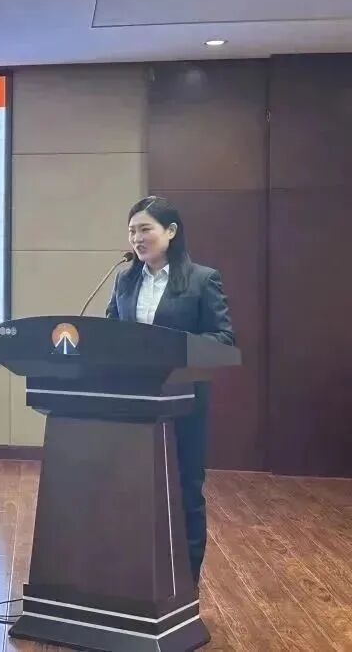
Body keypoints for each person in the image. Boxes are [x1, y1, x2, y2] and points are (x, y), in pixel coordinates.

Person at [105, 195, 235, 587]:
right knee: (130, 491)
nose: (137, 238)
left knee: (185, 490)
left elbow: (223, 339)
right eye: (132, 231)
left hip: (182, 404)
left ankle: (185, 586)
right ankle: (132, 580)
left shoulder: (201, 280)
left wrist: (170, 347)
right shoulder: (125, 280)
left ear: (171, 231)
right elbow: (109, 331)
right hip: (133, 405)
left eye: (145, 229)